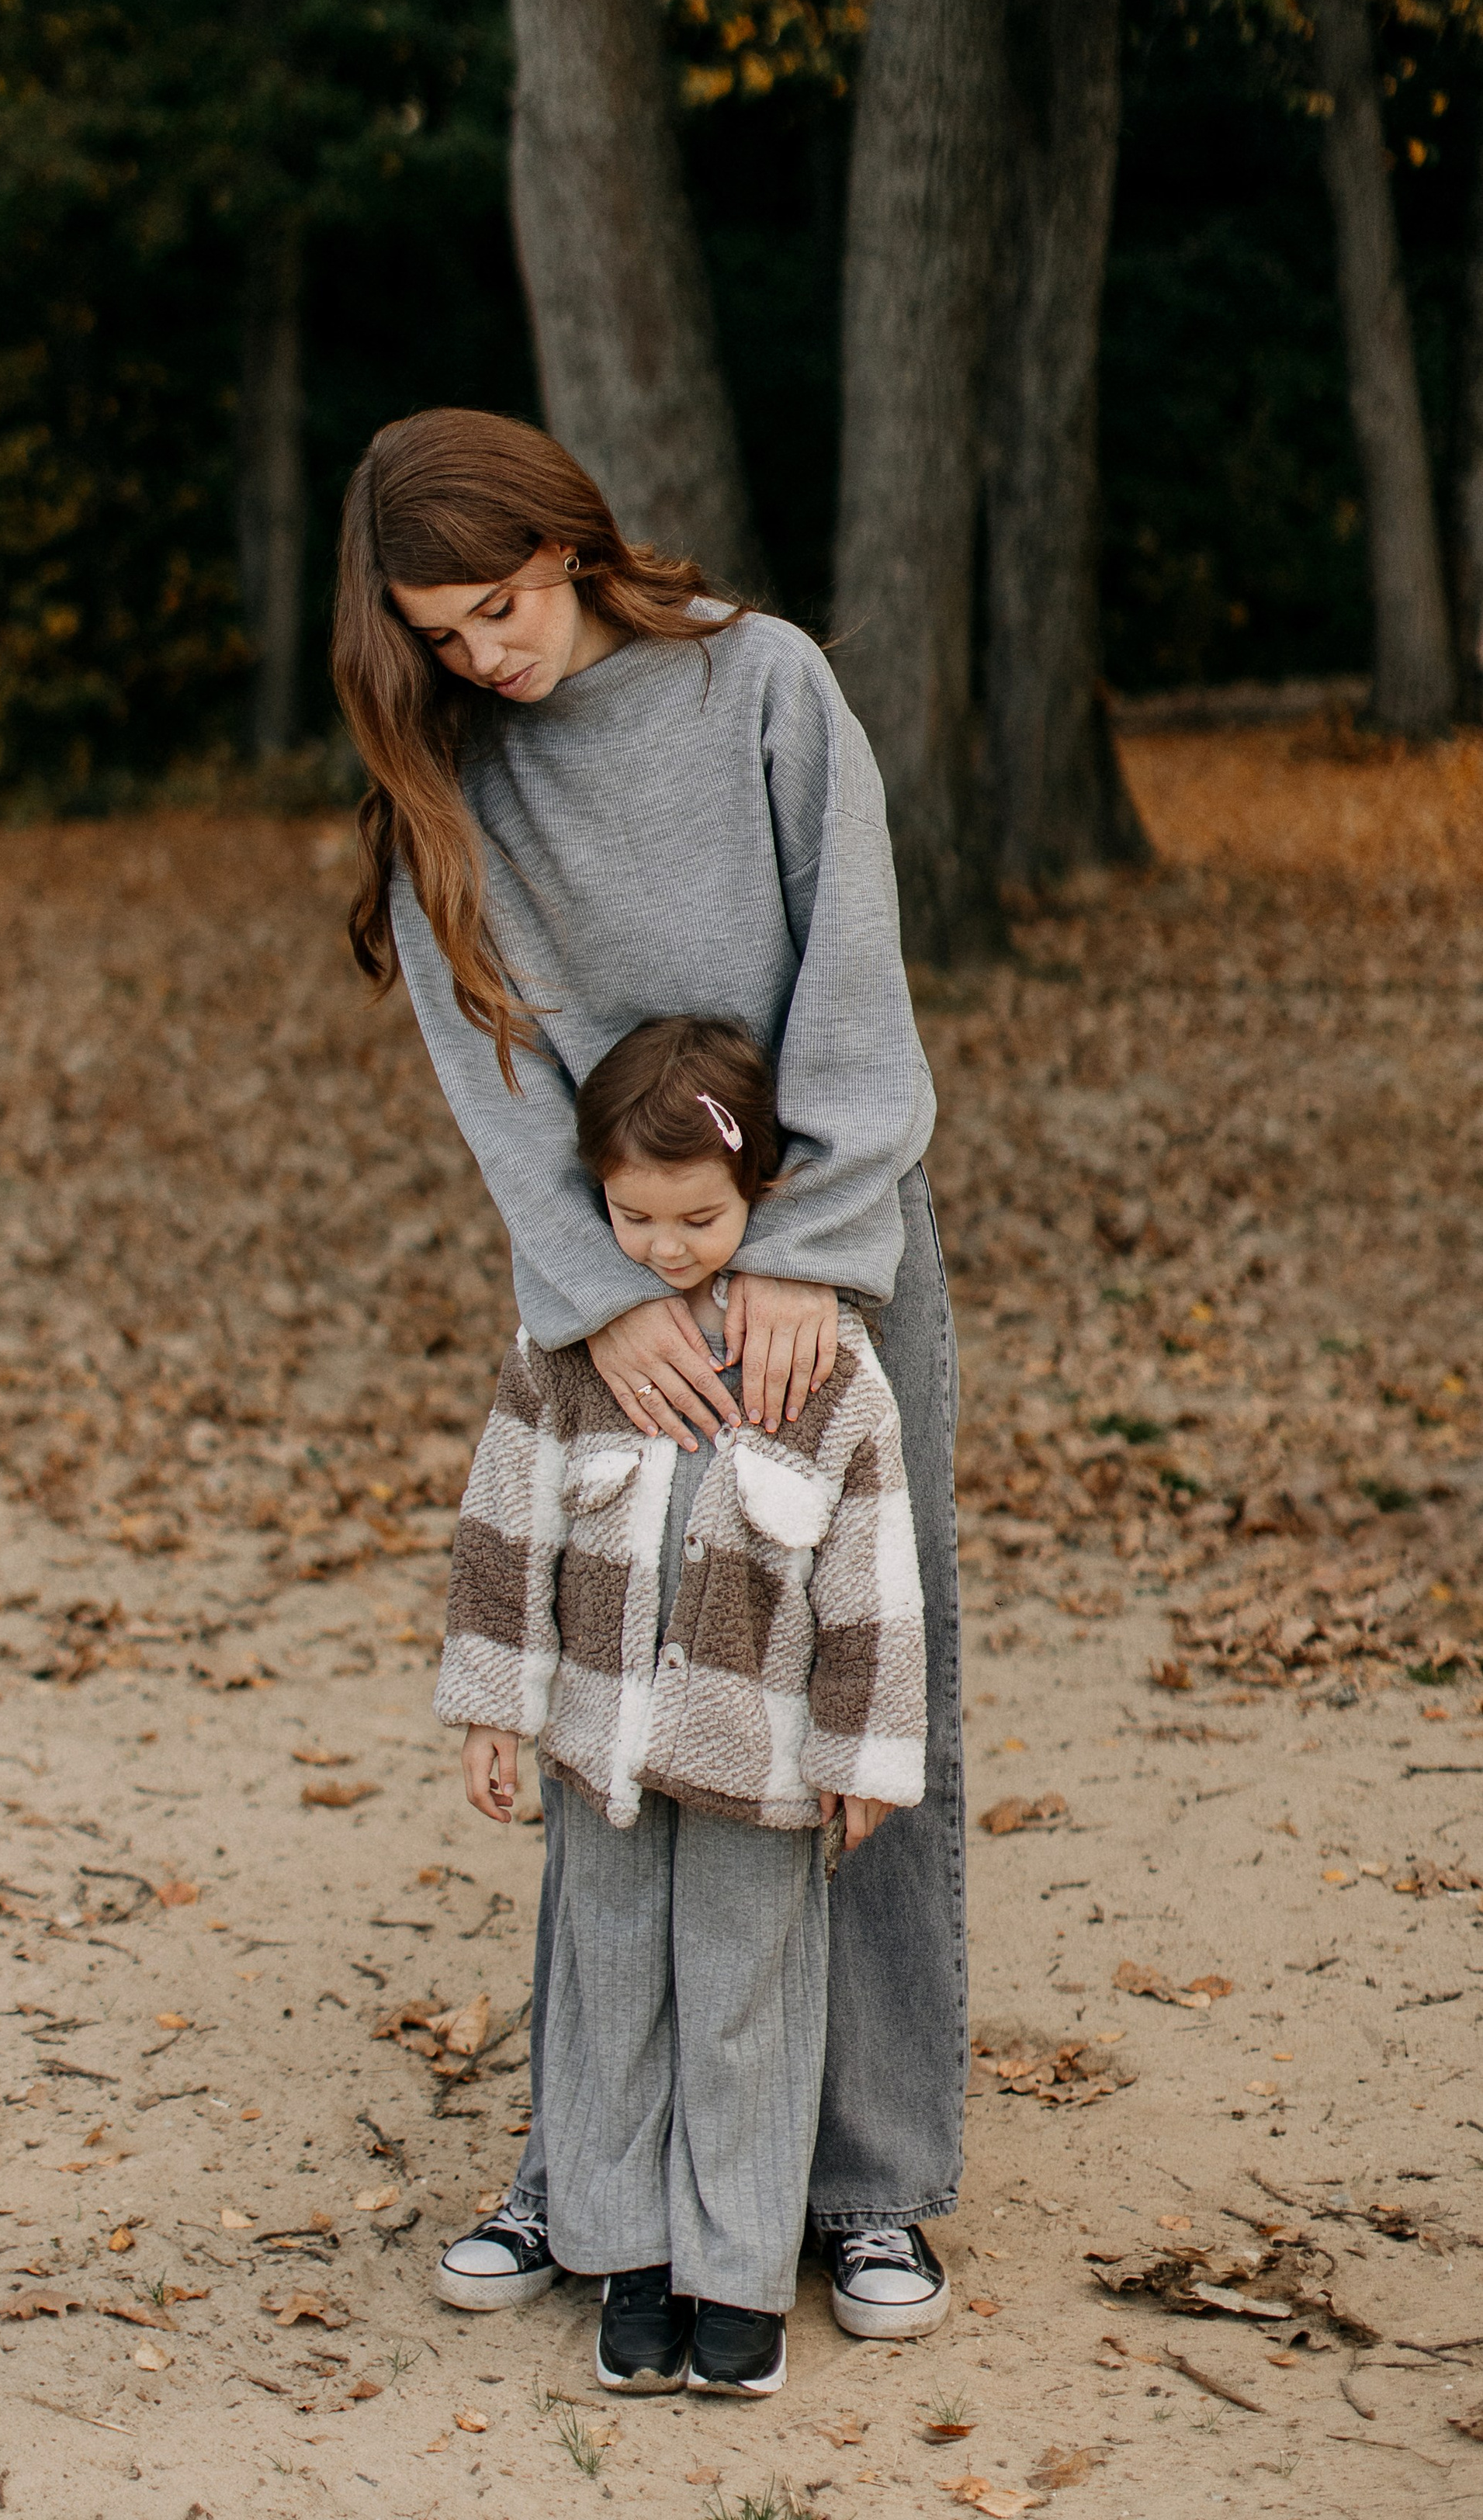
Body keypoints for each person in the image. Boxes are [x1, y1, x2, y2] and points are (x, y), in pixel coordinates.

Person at [327, 406, 965, 2354]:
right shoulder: (449, 770)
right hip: (609, 1308)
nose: (482, 655)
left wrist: (798, 1262)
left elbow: (854, 982)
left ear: (569, 546)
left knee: (837, 1702)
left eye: (499, 607)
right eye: (439, 632)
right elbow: (488, 1058)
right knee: (613, 1721)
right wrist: (596, 1295)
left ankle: (859, 2183)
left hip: (816, 1276)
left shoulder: (762, 688)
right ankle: (587, 2169)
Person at [436, 1014, 926, 2397]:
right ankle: (623, 2256)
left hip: (755, 1761)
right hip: (599, 1746)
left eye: (697, 1215)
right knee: (611, 1990)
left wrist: (864, 1751)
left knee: (740, 2001)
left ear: (761, 1191)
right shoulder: (572, 1349)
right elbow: (504, 1526)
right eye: (630, 1214)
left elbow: (874, 1573)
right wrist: (495, 1703)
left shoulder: (823, 1368)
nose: (662, 1245)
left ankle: (738, 2272)